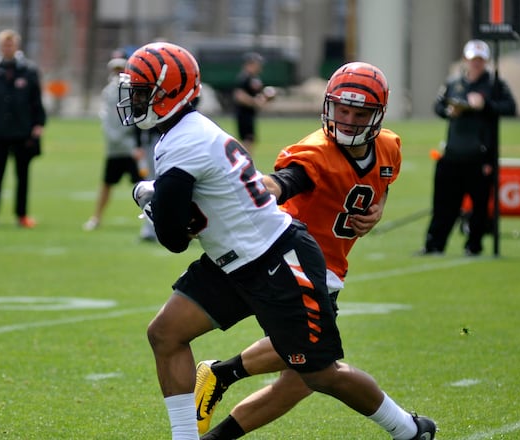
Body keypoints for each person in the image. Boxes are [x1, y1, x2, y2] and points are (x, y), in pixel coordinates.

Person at [122, 42, 436, 440]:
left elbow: (381, 180)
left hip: (279, 261)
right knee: (166, 333)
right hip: (256, 256)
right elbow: (282, 182)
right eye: (343, 110)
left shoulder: (388, 144)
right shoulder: (313, 151)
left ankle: (408, 430)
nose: (350, 121)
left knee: (314, 374)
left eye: (360, 114)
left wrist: (377, 209)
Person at [418, 39, 516, 256]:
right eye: (473, 59)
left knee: (479, 207)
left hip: (479, 156)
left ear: (486, 61)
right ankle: (435, 244)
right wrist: (449, 111)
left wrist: (485, 105)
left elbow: (511, 108)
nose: (476, 64)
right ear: (466, 60)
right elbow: (439, 105)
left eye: (480, 60)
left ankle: (474, 246)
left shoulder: (495, 85)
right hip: (453, 153)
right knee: (444, 204)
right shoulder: (454, 83)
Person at [0, 29, 46, 228]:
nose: (8, 48)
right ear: (0, 47)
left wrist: (39, 124)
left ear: (17, 47)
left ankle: (22, 215)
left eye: (11, 44)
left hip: (23, 131)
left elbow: (36, 101)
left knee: (22, 176)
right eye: (5, 45)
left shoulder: (29, 71)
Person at [83, 55, 147, 232]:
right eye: (116, 69)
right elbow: (108, 121)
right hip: (115, 148)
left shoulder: (132, 90)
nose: (118, 73)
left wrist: (137, 145)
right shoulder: (109, 91)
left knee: (145, 185)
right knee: (107, 183)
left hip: (131, 148)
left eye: (121, 69)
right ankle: (96, 217)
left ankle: (153, 221)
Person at [232, 52, 270, 153]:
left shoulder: (254, 78)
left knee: (250, 140)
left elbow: (257, 94)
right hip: (243, 114)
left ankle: (245, 162)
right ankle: (244, 163)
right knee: (247, 140)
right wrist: (255, 102)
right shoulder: (245, 77)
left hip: (250, 114)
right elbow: (239, 96)